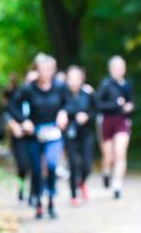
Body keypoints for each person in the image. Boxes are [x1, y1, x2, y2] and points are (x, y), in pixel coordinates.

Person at [8, 54, 69, 220]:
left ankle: (51, 200)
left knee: (51, 164)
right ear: (37, 71)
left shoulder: (59, 87)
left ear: (53, 70)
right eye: (42, 69)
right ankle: (39, 203)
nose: (45, 73)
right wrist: (23, 121)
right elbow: (12, 106)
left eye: (49, 69)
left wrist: (64, 113)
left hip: (54, 134)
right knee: (35, 169)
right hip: (34, 134)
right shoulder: (28, 89)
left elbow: (69, 102)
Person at [95, 55, 134, 199]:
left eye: (121, 68)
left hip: (122, 121)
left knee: (120, 153)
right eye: (115, 68)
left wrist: (129, 107)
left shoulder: (127, 84)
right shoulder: (105, 84)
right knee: (108, 156)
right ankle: (106, 172)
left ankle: (117, 185)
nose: (118, 71)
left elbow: (131, 102)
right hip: (106, 121)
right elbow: (97, 104)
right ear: (110, 69)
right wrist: (115, 104)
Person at [63, 65, 97, 206]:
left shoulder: (88, 93)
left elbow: (96, 110)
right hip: (70, 133)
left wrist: (87, 116)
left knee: (87, 166)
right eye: (71, 78)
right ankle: (73, 194)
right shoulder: (62, 94)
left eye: (76, 78)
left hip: (86, 133)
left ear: (82, 79)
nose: (74, 81)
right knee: (73, 164)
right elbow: (57, 110)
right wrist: (64, 115)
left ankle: (81, 182)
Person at [3, 70, 36, 202]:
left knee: (35, 166)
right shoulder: (17, 95)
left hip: (34, 135)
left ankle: (34, 194)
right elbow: (8, 111)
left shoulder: (41, 96)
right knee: (22, 165)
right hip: (19, 135)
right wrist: (15, 125)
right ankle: (21, 187)